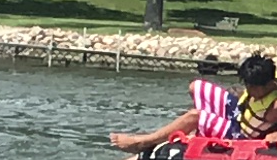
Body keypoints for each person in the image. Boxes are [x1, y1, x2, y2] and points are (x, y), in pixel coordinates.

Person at [104, 65, 243, 153]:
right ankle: (198, 135)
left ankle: (143, 142)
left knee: (195, 116)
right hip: (240, 113)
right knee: (196, 86)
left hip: (241, 131)